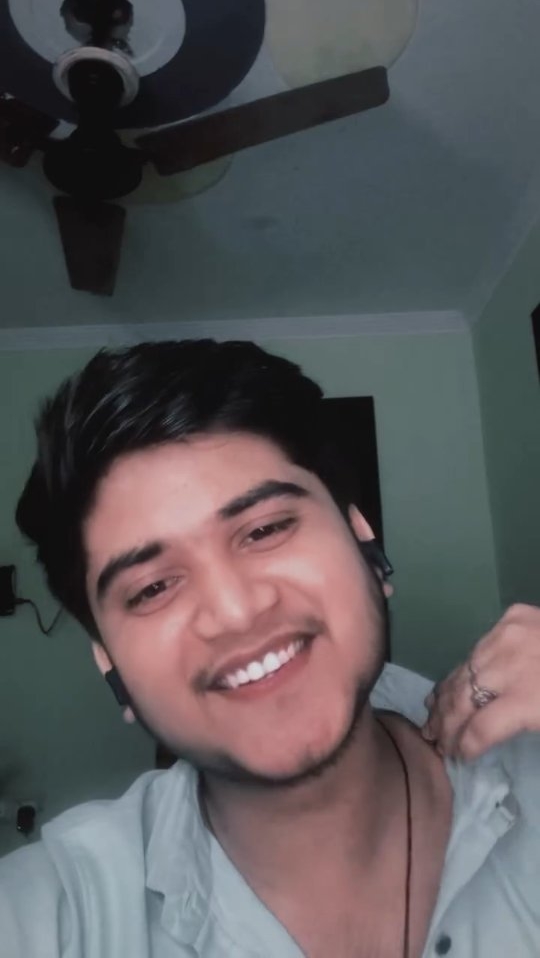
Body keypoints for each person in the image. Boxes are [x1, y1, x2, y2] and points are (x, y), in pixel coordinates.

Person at [1, 339, 539, 958]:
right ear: (109, 665)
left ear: (364, 541)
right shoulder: (47, 918)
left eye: (265, 529)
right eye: (152, 588)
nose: (236, 612)